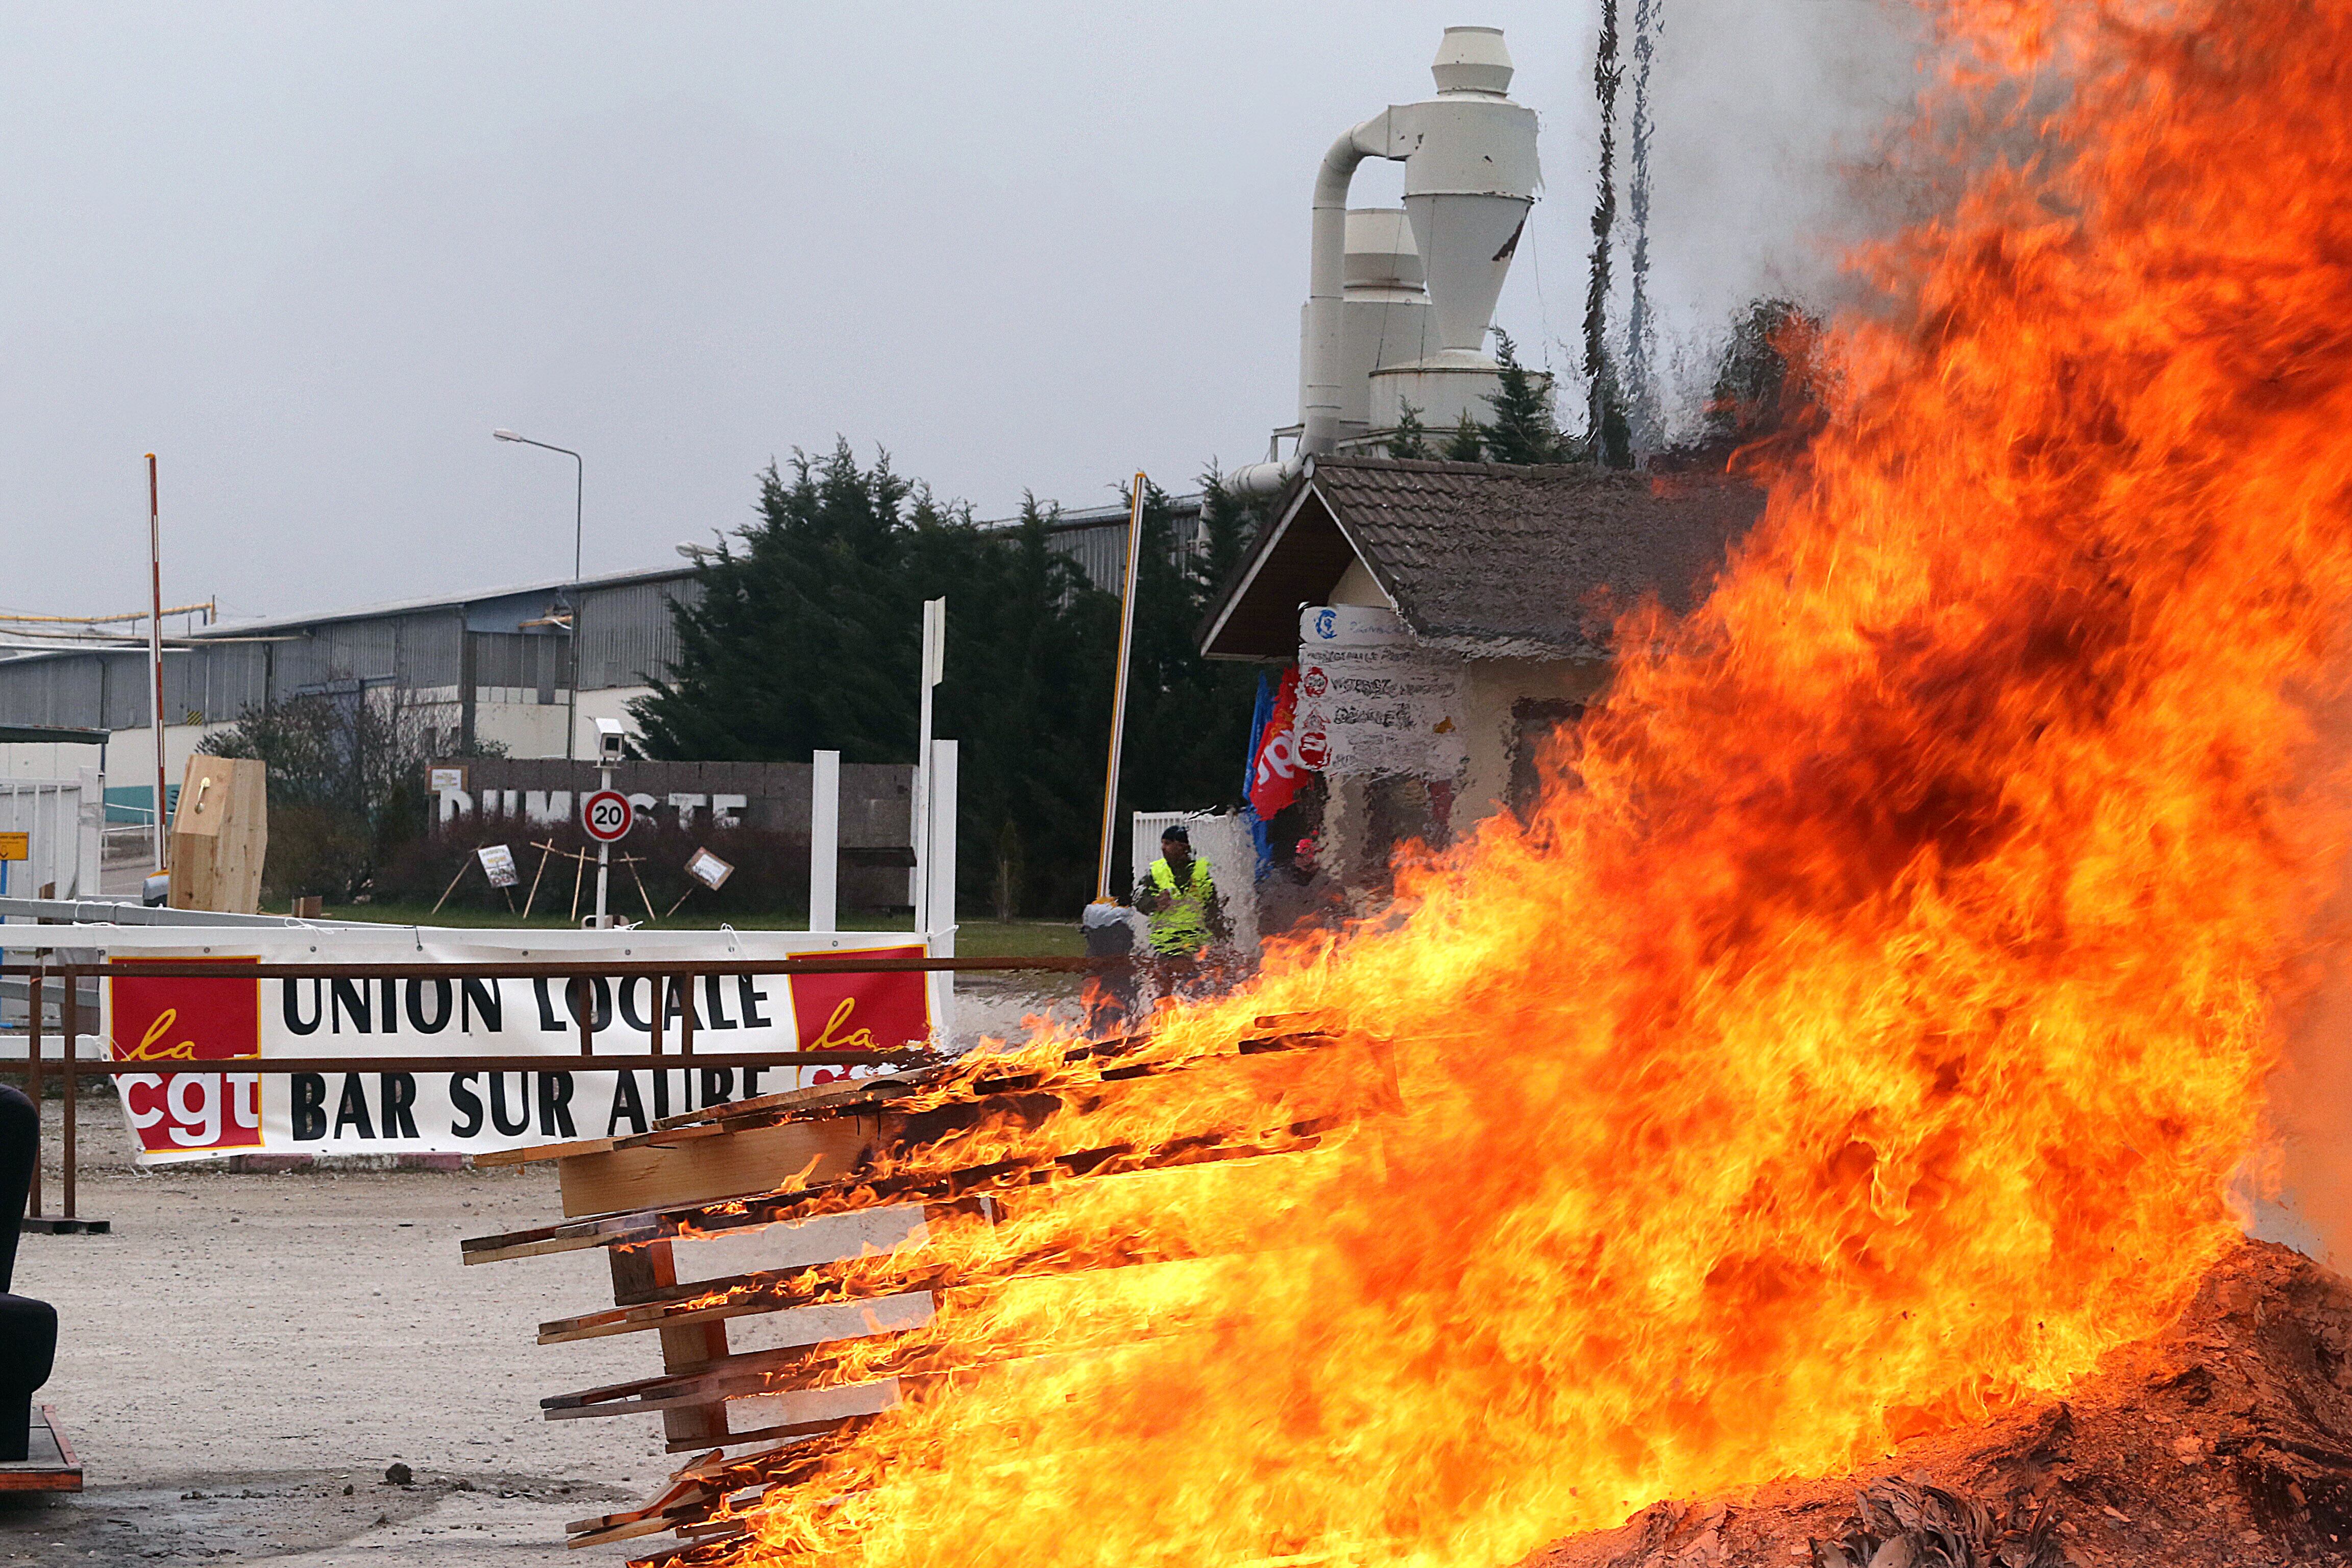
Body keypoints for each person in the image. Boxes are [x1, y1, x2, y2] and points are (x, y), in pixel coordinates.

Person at [1133, 824, 1227, 960]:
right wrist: (1153, 902)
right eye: (1163, 843)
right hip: (1167, 946)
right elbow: (1138, 897)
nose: (1163, 848)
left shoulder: (1204, 871)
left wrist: (1223, 939)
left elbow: (1216, 909)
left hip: (1198, 945)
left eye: (1168, 844)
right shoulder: (1156, 872)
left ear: (1183, 847)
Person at [1257, 835, 1348, 941]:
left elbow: (1342, 913)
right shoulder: (1276, 881)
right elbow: (1262, 912)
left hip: (1316, 942)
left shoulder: (1328, 883)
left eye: (1310, 855)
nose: (1306, 860)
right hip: (1282, 942)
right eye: (1302, 855)